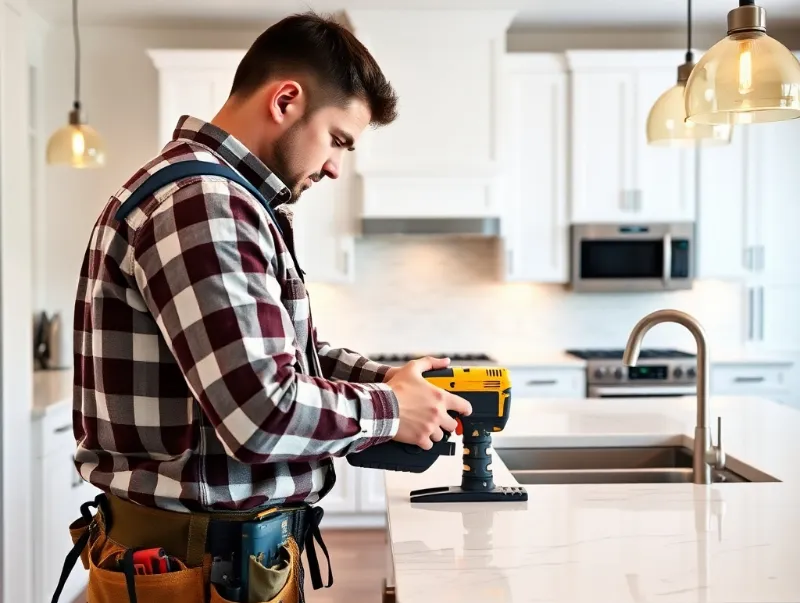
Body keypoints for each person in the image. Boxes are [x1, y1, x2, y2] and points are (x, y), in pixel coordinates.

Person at [53, 10, 472, 603]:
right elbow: (261, 412)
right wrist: (388, 409)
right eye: (338, 140)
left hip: (218, 564)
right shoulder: (203, 201)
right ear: (286, 101)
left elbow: (283, 358)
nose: (334, 166)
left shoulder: (222, 196)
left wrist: (390, 382)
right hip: (196, 571)